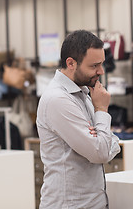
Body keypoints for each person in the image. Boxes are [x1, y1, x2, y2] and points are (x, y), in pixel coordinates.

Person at [36, 30, 121, 209]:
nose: (101, 71)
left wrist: (101, 139)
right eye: (94, 66)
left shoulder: (83, 93)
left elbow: (106, 144)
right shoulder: (58, 99)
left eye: (102, 64)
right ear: (71, 63)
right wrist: (102, 110)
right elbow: (101, 152)